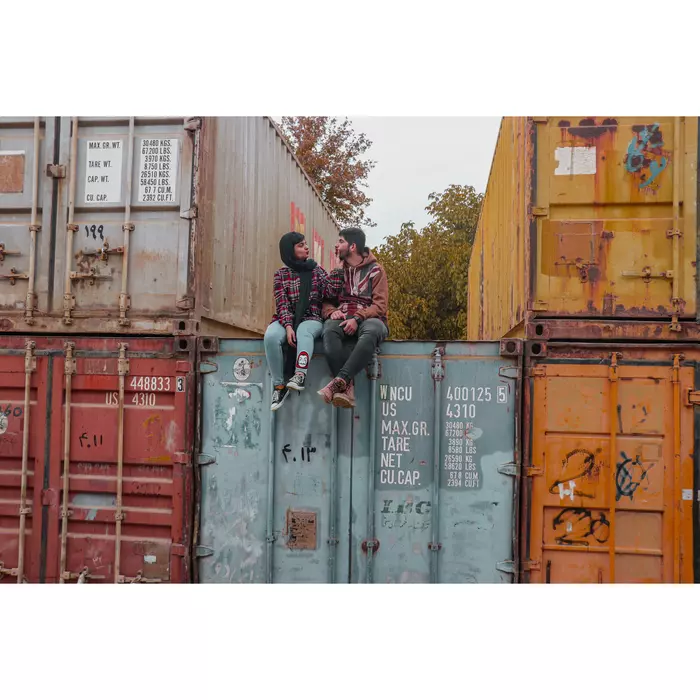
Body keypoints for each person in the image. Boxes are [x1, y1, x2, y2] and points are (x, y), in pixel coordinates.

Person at [318, 227, 389, 408]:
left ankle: (339, 380)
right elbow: (326, 301)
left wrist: (357, 318)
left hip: (370, 318)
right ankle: (347, 387)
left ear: (352, 246)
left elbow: (380, 305)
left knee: (372, 331)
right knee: (329, 329)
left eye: (341, 241)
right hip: (343, 315)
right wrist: (331, 311)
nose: (336, 245)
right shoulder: (337, 271)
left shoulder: (376, 270)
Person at [264, 231, 331, 411]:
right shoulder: (281, 275)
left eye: (306, 244)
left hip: (312, 318)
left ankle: (299, 375)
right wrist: (287, 326)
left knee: (303, 331)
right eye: (301, 245)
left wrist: (338, 274)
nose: (306, 248)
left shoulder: (317, 271)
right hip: (287, 318)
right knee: (271, 336)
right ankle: (279, 386)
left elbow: (331, 293)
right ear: (289, 250)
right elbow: (282, 303)